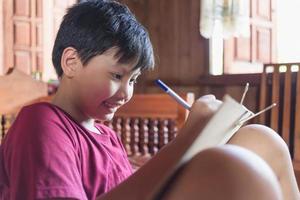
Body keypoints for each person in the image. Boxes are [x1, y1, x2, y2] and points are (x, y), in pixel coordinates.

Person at [0, 0, 299, 199]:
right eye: (117, 76)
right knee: (231, 169)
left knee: (262, 141)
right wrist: (186, 140)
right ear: (71, 63)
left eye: (132, 80)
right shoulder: (41, 123)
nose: (127, 92)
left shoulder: (104, 134)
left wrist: (143, 165)